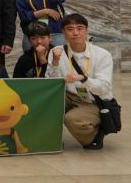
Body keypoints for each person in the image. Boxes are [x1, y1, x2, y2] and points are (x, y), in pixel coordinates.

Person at [47, 14, 114, 149]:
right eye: (70, 29)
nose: (75, 33)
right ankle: (50, 139)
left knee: (72, 119)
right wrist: (55, 62)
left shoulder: (102, 54)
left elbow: (104, 88)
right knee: (44, 103)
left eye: (80, 28)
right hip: (68, 95)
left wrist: (84, 79)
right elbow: (51, 83)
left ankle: (94, 136)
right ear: (63, 32)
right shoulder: (56, 51)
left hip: (93, 100)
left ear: (87, 30)